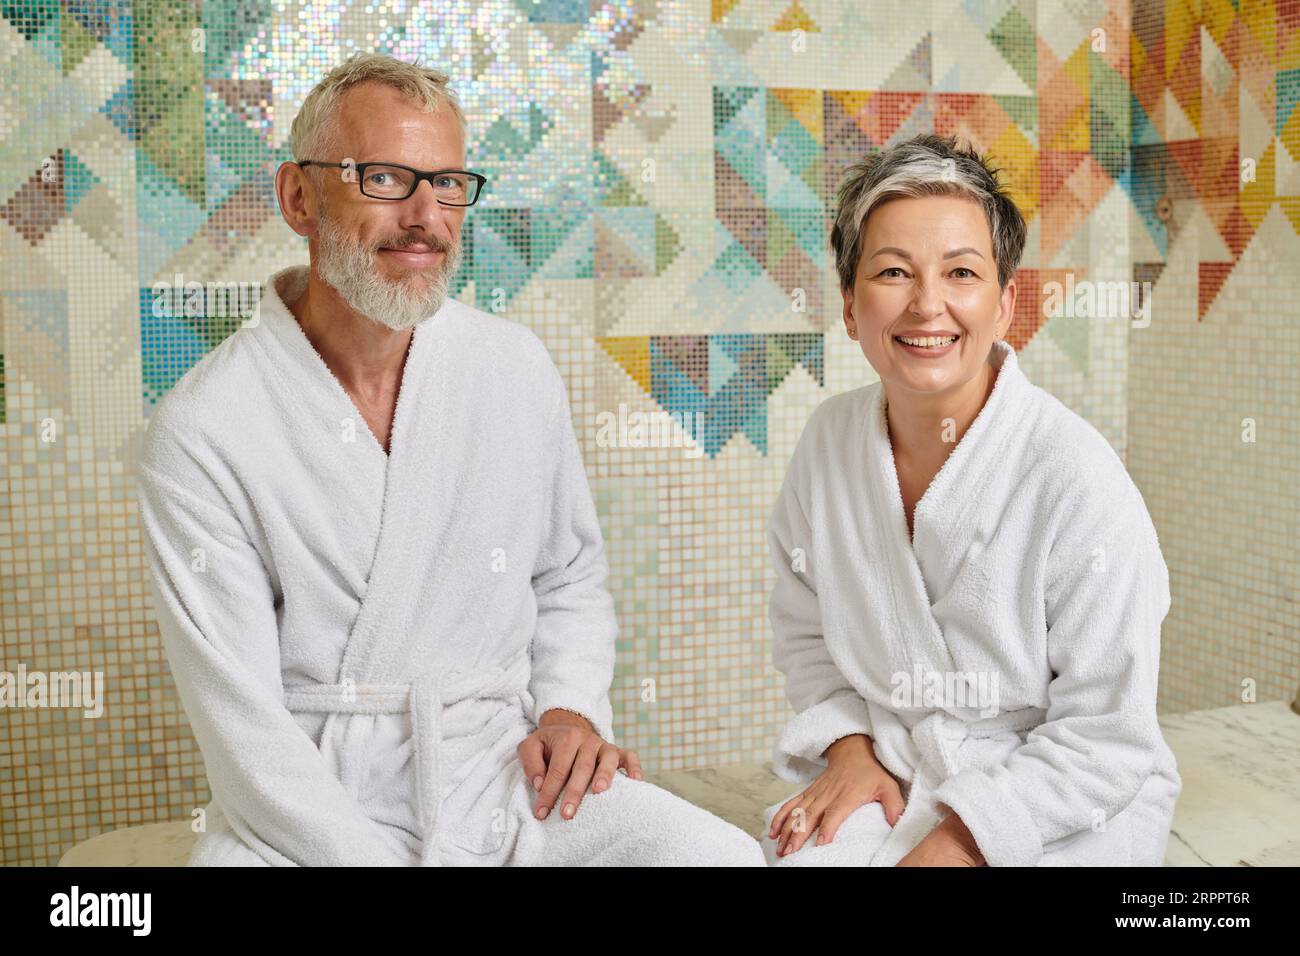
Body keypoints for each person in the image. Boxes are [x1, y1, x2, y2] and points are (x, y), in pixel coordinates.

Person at [136, 52, 763, 867]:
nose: (426, 215)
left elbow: (566, 575)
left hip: (502, 778)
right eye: (384, 179)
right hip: (306, 811)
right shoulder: (204, 428)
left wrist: (571, 711)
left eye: (448, 183)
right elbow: (242, 725)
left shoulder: (513, 367)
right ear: (297, 196)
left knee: (716, 857)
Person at [762, 134, 1181, 867]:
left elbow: (1109, 734)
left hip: (1062, 792)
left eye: (960, 272)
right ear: (850, 305)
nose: (928, 305)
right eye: (893, 271)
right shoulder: (829, 445)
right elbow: (806, 636)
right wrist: (849, 747)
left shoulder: (1075, 474)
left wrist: (959, 842)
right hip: (898, 762)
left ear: (1005, 302)